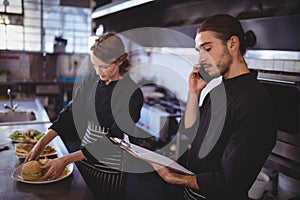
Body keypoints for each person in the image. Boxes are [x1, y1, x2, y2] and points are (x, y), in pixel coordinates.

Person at [152, 14, 277, 200]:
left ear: (232, 44)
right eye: (199, 51)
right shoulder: (217, 92)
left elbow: (228, 183)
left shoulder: (253, 102)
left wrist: (177, 178)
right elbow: (188, 132)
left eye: (207, 49)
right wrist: (194, 93)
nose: (201, 59)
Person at [25, 32, 144, 200]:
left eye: (103, 66)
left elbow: (114, 138)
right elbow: (70, 114)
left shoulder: (132, 94)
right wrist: (41, 143)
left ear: (119, 60)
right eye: (95, 66)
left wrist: (67, 159)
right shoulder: (92, 81)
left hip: (110, 164)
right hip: (84, 157)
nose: (98, 72)